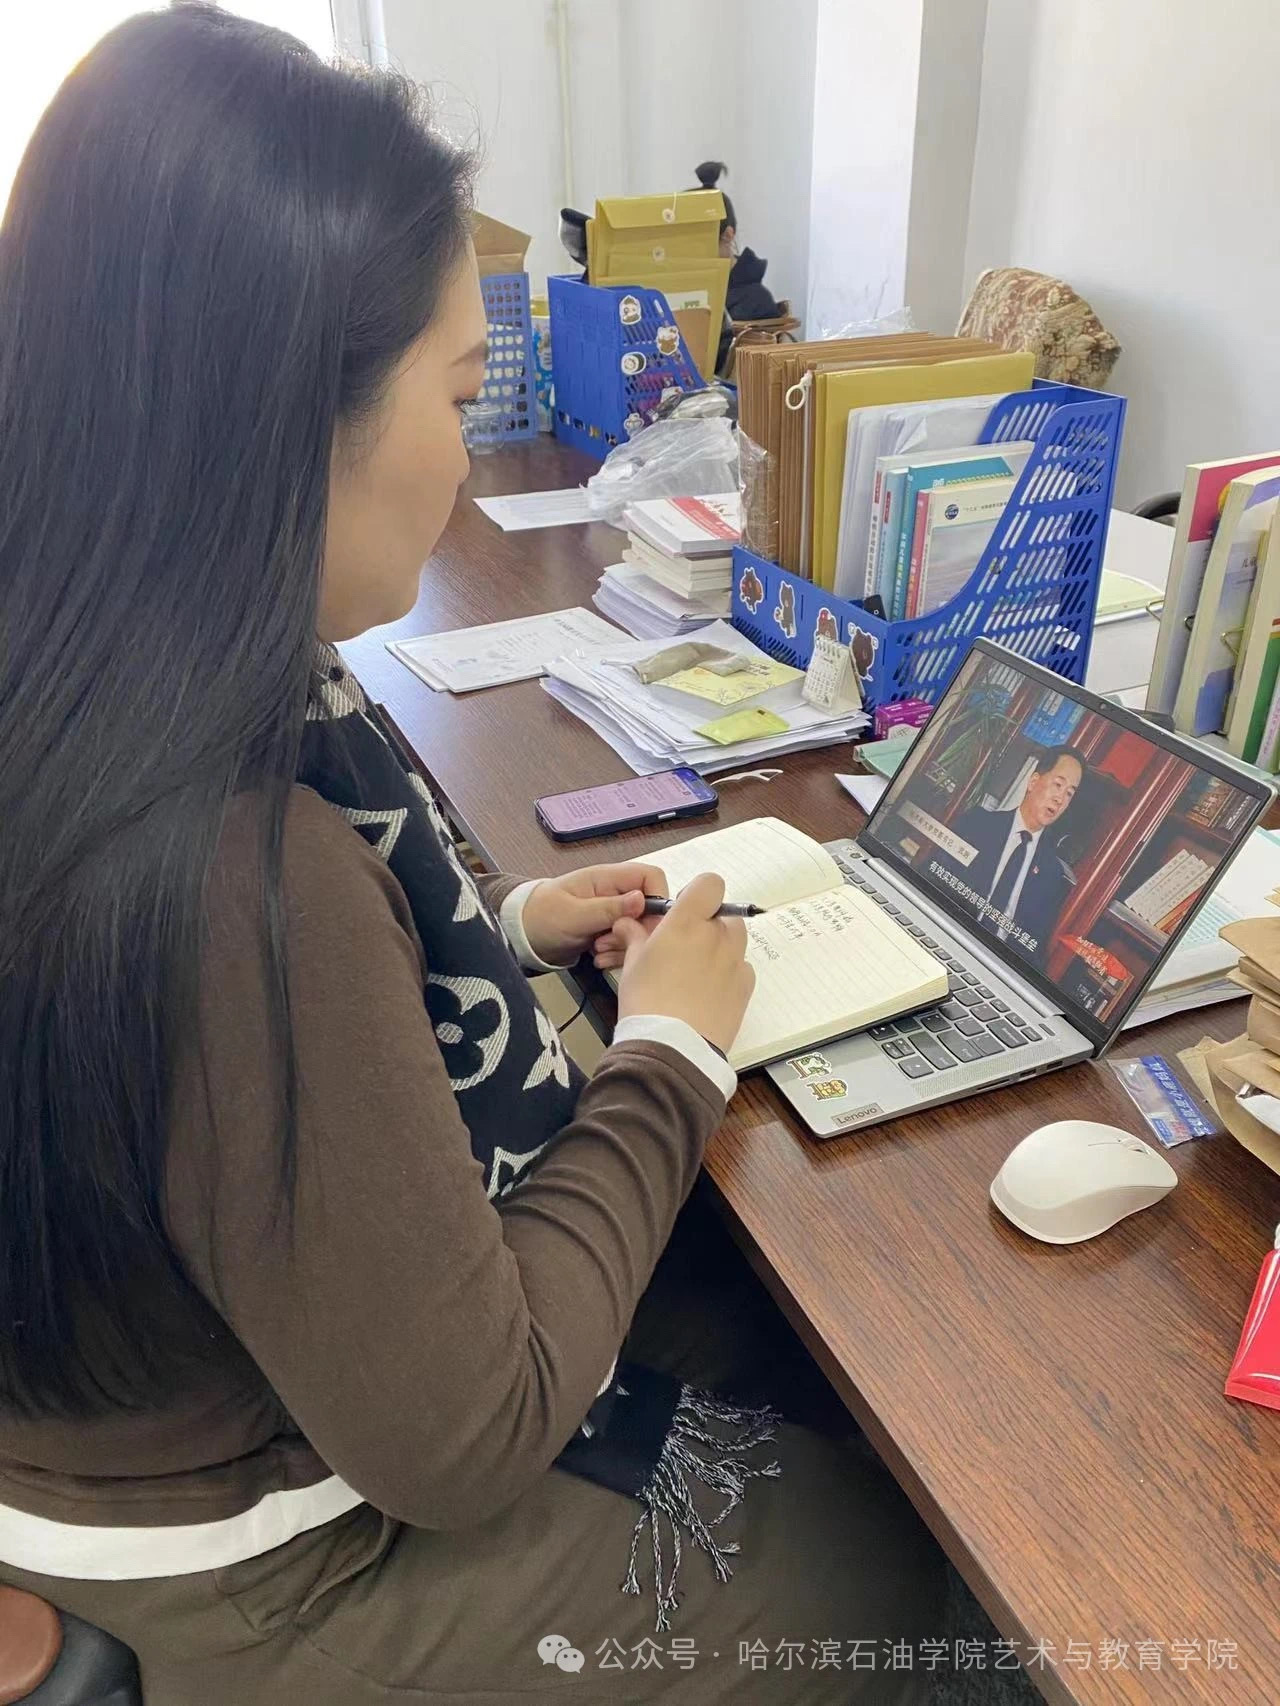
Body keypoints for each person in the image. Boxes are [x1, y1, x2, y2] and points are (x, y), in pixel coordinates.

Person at [0, 11, 946, 1703]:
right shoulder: (239, 878)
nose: (464, 446)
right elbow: (468, 1432)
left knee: (756, 1326)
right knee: (900, 1566)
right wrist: (672, 1049)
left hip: (107, 1419)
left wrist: (492, 926)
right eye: (454, 392)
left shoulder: (97, 678)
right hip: (257, 1561)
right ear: (284, 417)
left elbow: (183, 1055)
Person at [934, 747, 1083, 955]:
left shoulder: (1052, 873)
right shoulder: (976, 824)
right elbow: (932, 877)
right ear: (1033, 782)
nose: (1060, 799)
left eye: (1069, 794)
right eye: (1058, 785)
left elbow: (1034, 948)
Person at [690, 161, 785, 373]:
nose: (688, 256)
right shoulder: (687, 291)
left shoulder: (756, 301)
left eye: (698, 244)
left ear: (728, 235)